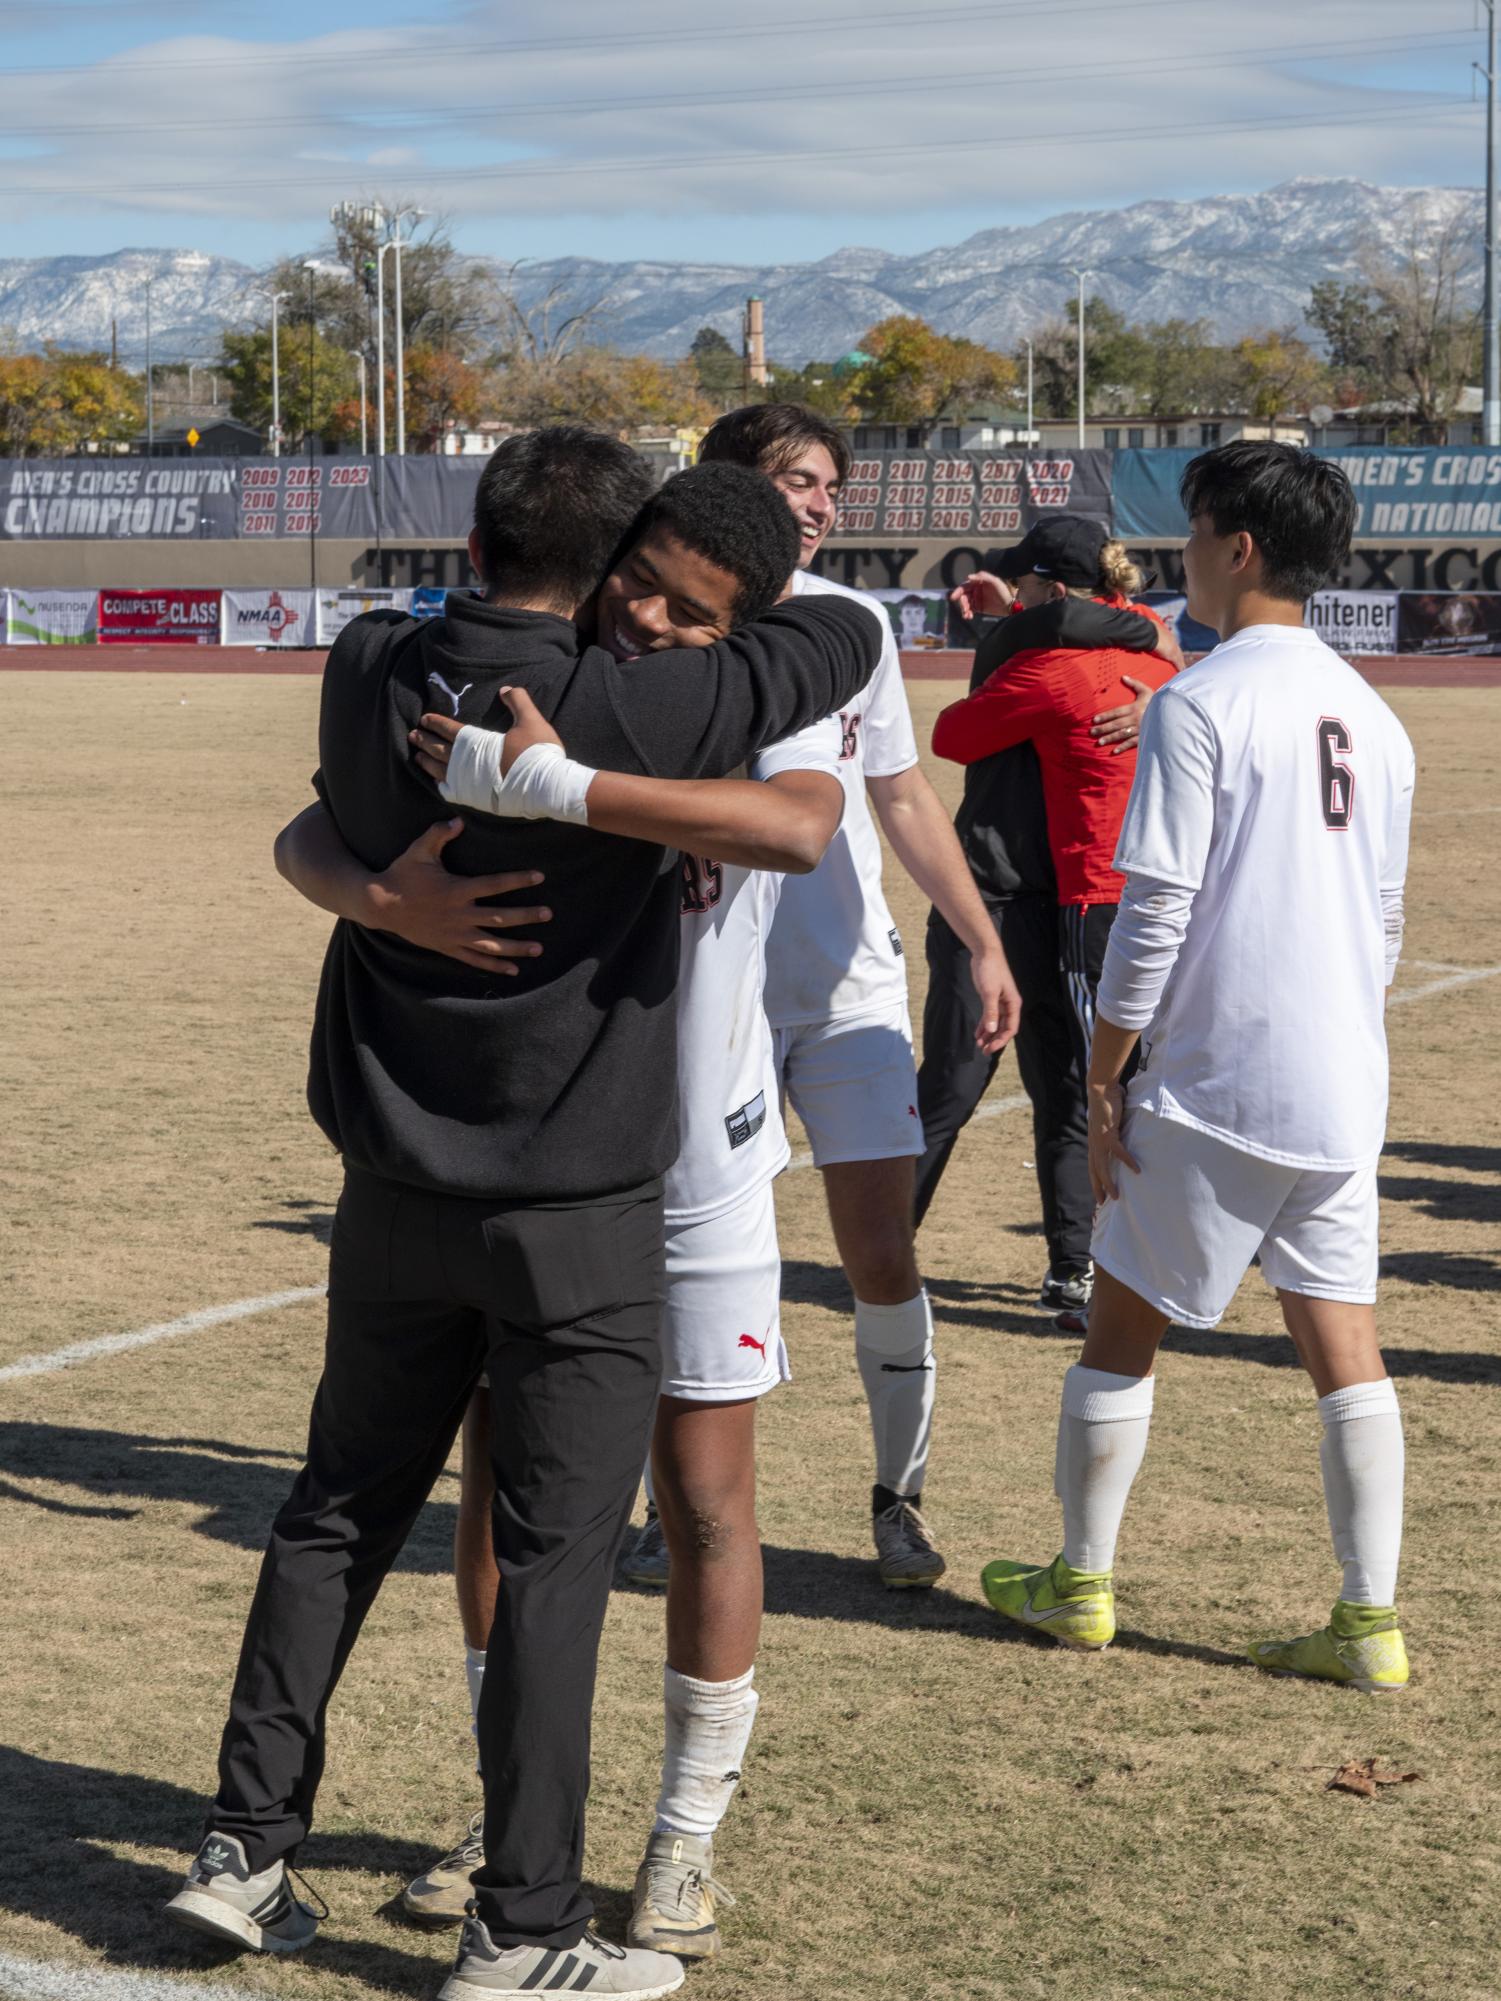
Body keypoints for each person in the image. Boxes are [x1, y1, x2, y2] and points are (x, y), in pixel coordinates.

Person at [162, 436, 881, 2001]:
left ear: (472, 541)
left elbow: (308, 830)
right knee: (557, 1561)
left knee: (335, 1509)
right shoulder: (632, 701)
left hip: (391, 1185)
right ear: (620, 560)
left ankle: (243, 1847)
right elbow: (846, 635)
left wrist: (369, 892)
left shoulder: (367, 663)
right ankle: (525, 1925)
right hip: (578, 1206)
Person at [980, 442, 1416, 1695]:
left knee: (1119, 1324)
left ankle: (1079, 1582)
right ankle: (1368, 1617)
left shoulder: (1202, 701)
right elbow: (1380, 921)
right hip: (1341, 1085)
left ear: (1236, 549)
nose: (1182, 558)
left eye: (1191, 534)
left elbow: (1153, 907)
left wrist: (1109, 1070)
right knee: (1346, 1343)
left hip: (1220, 1076)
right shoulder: (1372, 716)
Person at [616, 403, 1018, 1591]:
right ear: (730, 487)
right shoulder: (656, 624)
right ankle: (659, 1507)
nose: (822, 502)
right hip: (702, 999)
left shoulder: (850, 624)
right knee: (674, 1260)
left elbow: (899, 795)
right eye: (797, 478)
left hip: (846, 989)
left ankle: (899, 1501)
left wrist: (980, 940)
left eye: (831, 484)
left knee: (879, 1253)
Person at [917, 537, 1175, 1323]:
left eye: (1028, 581)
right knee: (955, 1085)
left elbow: (1145, 637)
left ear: (1053, 586)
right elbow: (1151, 636)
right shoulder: (1041, 644)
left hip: (1054, 900)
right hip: (990, 897)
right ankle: (883, 1245)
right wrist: (1018, 623)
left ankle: (1074, 1265)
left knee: (1064, 1088)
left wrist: (1028, 624)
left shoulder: (1056, 651)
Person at [931, 520, 1178, 1083]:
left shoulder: (1055, 672)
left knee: (1106, 1089)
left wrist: (1004, 635)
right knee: (1151, 1073)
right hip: (1170, 886)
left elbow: (951, 738)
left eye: (1024, 587)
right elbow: (1125, 630)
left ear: (1055, 591)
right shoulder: (1151, 636)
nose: (1018, 595)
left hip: (1092, 894)